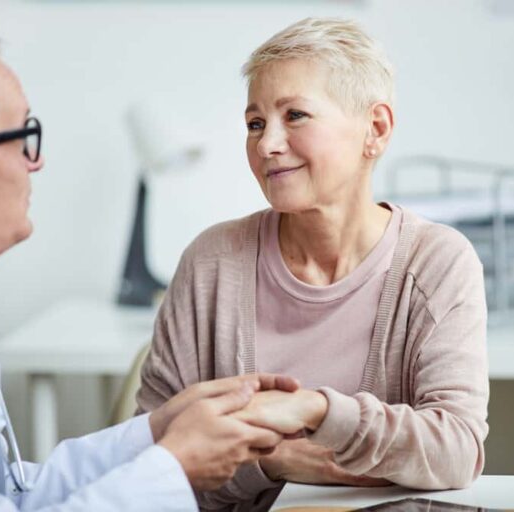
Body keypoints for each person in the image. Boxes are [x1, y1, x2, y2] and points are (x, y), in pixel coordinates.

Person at [0, 10, 300, 511]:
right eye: (21, 137)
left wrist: (156, 433)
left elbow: (10, 493)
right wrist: (175, 467)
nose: (38, 161)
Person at [136, 17, 490, 511]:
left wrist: (319, 410)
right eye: (255, 123)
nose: (266, 145)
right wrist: (272, 461)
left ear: (376, 128)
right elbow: (148, 467)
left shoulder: (435, 262)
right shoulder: (211, 263)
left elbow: (456, 450)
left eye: (295, 115)